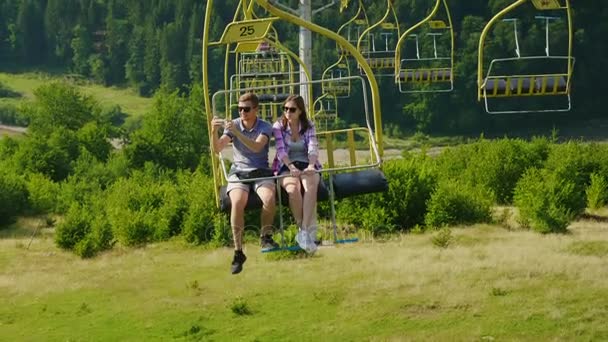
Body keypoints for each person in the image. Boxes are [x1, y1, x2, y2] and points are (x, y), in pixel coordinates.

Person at [211, 93, 278, 274]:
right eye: (240, 109)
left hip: (261, 171)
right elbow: (218, 148)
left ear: (255, 109)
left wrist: (237, 133)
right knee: (237, 202)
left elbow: (257, 147)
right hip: (240, 172)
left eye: (246, 109)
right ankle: (238, 251)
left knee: (270, 198)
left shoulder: (264, 126)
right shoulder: (234, 125)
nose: (242, 113)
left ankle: (265, 236)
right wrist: (214, 131)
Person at [272, 95, 321, 254]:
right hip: (286, 166)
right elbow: (280, 150)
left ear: (300, 111)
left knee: (310, 185)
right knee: (293, 189)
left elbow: (313, 147)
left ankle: (304, 232)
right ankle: (304, 231)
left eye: (292, 109)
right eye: (285, 109)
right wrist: (291, 166)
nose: (288, 112)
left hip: (306, 163)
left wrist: (312, 165)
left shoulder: (309, 125)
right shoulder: (279, 126)